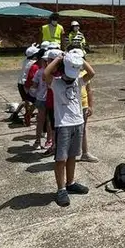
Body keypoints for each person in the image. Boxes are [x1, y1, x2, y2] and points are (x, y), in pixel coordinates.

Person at [42, 51, 96, 207]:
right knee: (61, 159)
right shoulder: (56, 83)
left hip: (78, 123)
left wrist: (79, 60)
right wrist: (60, 58)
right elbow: (46, 74)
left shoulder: (78, 81)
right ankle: (61, 189)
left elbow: (92, 73)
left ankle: (70, 183)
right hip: (63, 125)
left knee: (72, 155)